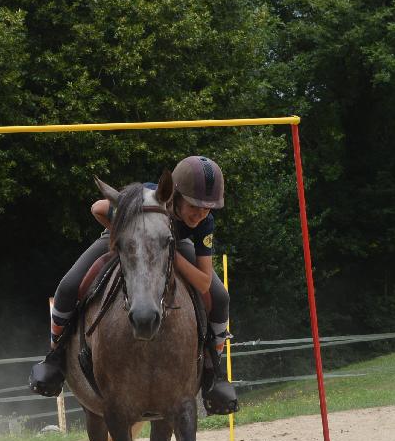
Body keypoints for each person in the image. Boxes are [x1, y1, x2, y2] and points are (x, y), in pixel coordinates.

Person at [29, 156, 238, 415]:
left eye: (208, 208)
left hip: (172, 246)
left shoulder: (204, 222)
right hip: (129, 239)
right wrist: (126, 236)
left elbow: (204, 281)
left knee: (221, 297)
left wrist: (170, 253)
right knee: (68, 286)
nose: (201, 213)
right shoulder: (147, 199)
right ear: (176, 196)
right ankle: (55, 357)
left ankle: (213, 369)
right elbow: (97, 208)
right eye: (195, 206)